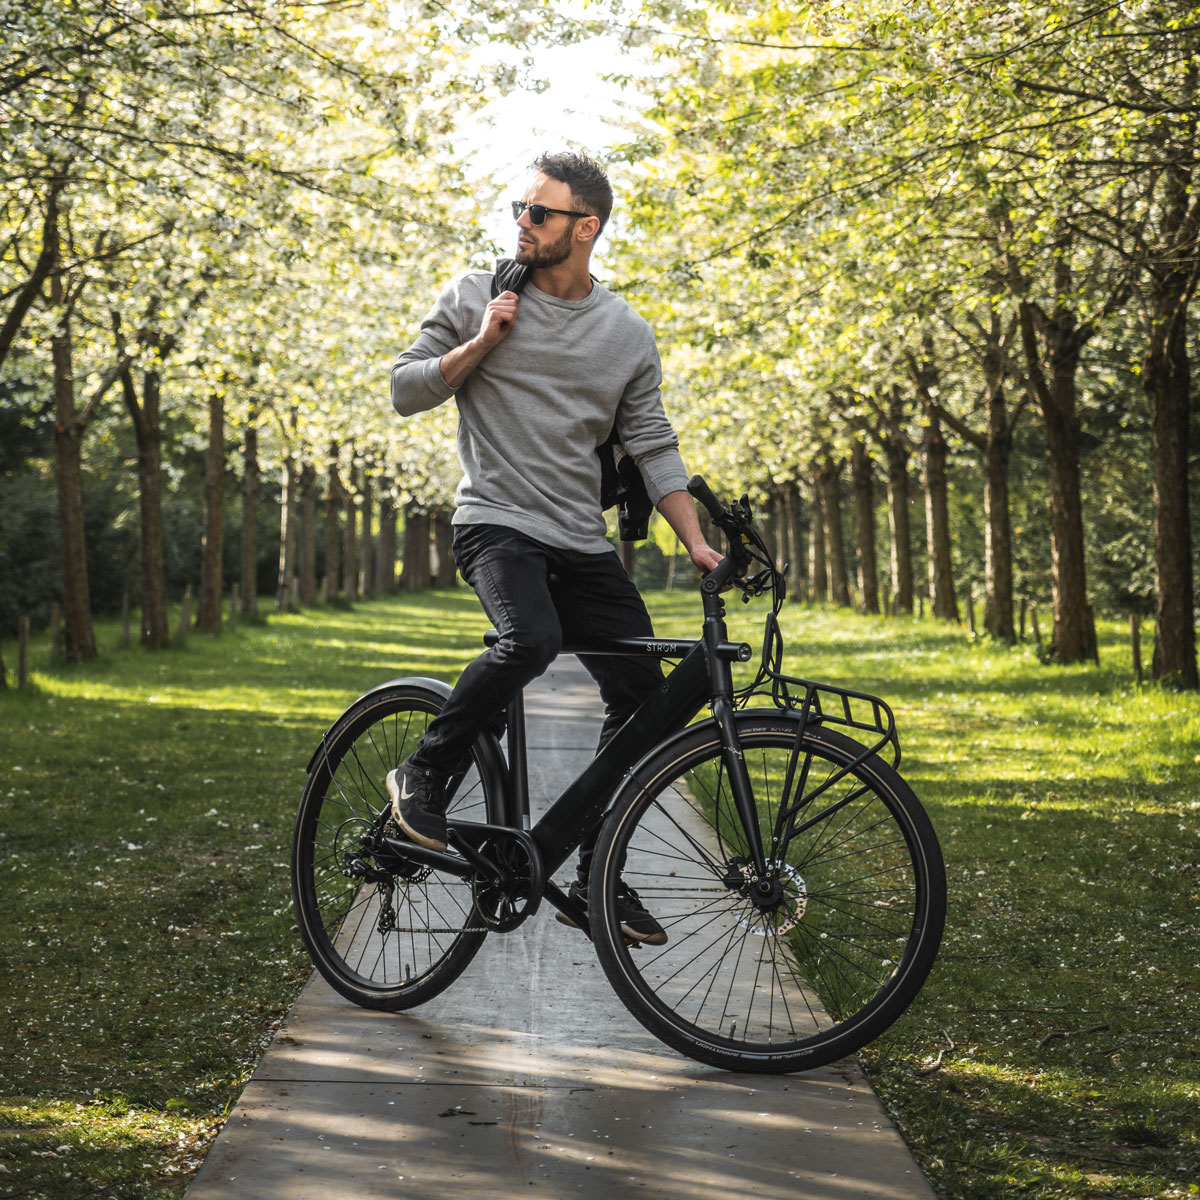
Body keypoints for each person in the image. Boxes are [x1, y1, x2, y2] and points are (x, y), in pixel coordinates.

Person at [387, 151, 721, 944]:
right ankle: (424, 773)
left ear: (587, 227)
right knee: (528, 640)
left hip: (579, 538)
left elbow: (652, 444)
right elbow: (405, 388)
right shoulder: (477, 294)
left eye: (539, 213)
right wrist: (480, 345)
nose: (522, 224)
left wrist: (698, 543)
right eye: (520, 209)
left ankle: (596, 858)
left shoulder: (625, 332)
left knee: (645, 690)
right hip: (495, 522)